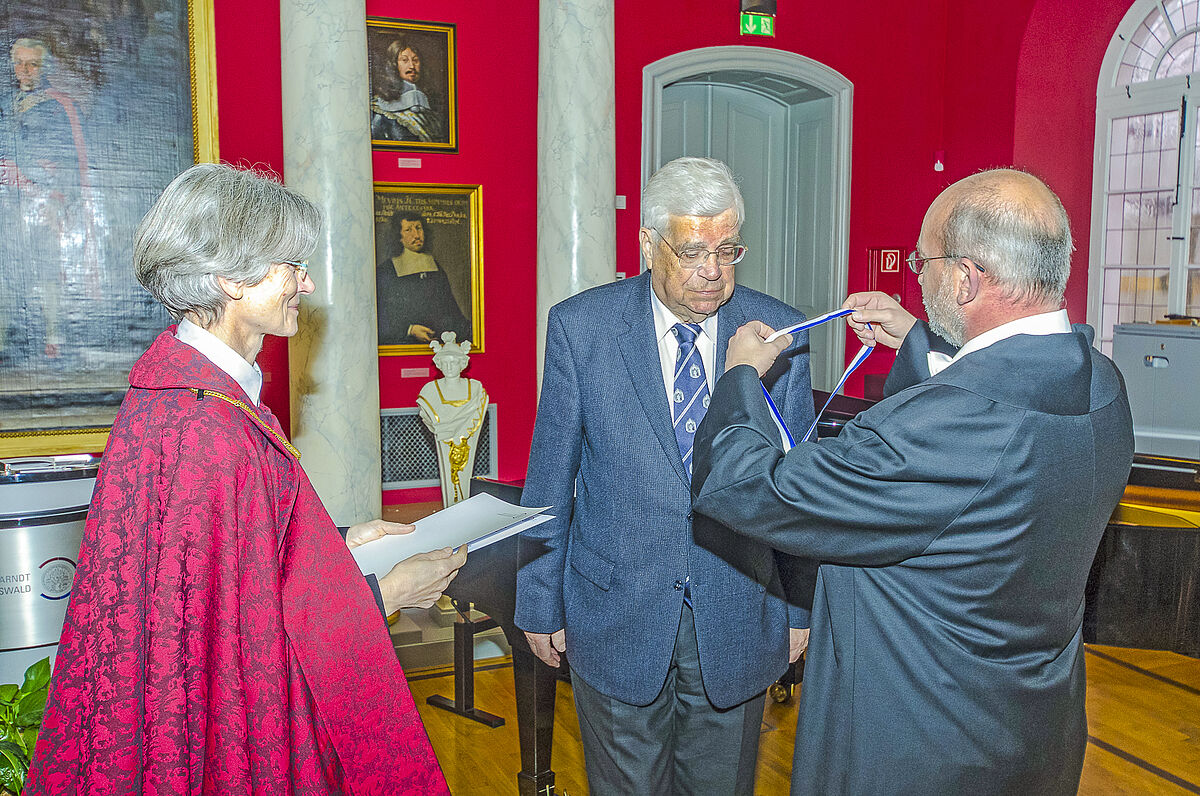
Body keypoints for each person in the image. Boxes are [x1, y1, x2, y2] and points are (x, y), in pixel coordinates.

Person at [691, 168, 1135, 794]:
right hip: (1033, 729)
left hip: (919, 741)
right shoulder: (1099, 383)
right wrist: (922, 344)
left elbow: (746, 484)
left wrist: (738, 379)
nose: (917, 276)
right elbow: (985, 438)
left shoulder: (952, 425)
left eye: (923, 261)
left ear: (965, 278)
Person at [28, 163, 464, 794]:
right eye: (292, 265)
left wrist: (339, 545)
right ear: (231, 276)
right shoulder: (212, 430)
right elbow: (245, 650)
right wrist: (390, 592)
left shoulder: (184, 393)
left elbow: (232, 570)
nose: (307, 283)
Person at [516, 156, 817, 794]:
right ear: (649, 244)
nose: (714, 271)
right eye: (692, 252)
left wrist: (799, 608)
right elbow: (551, 478)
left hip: (736, 615)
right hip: (613, 613)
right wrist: (539, 602)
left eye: (729, 249)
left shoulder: (776, 332)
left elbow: (796, 492)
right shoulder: (584, 329)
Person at [2, 38, 89, 362]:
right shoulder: (4, 103)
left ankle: (53, 341)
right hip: (8, 205)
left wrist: (56, 202)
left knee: (47, 274)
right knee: (7, 274)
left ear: (44, 67)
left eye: (32, 64)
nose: (24, 70)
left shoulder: (59, 105)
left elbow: (69, 161)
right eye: (19, 63)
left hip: (45, 204)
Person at [376, 210, 471, 345]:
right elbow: (382, 319)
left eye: (418, 228)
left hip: (439, 341)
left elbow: (451, 309)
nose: (416, 234)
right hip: (405, 344)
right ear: (398, 236)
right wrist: (410, 330)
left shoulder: (434, 265)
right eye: (408, 230)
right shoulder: (386, 271)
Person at [418, 331, 488, 505]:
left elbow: (479, 407)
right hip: (445, 439)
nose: (449, 368)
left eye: (454, 363)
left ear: (462, 364)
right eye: (445, 363)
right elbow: (427, 415)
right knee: (449, 477)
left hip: (465, 440)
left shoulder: (476, 388)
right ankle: (450, 507)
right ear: (439, 365)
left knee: (464, 473)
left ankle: (462, 508)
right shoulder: (430, 391)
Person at [370, 35, 443, 143]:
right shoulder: (381, 111)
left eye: (415, 60)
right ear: (394, 65)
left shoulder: (429, 108)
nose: (412, 66)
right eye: (404, 60)